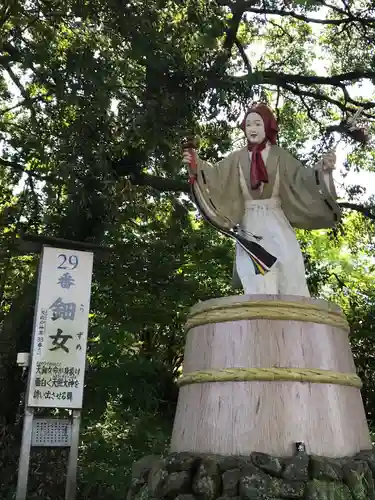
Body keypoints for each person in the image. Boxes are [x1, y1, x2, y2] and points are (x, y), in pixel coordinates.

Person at [182, 103, 341, 296]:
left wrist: (323, 168)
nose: (252, 129)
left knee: (289, 268)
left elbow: (303, 178)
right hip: (250, 225)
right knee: (256, 276)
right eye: (249, 125)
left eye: (257, 124)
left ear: (267, 126)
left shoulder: (280, 155)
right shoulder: (237, 158)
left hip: (277, 221)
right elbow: (215, 176)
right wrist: (195, 163)